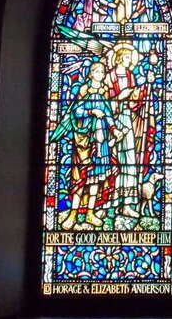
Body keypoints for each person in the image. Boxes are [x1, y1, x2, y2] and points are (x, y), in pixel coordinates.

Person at [54, 62, 116, 230]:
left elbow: (108, 114)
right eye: (97, 71)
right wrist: (92, 112)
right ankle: (72, 215)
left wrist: (114, 129)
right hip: (85, 142)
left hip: (100, 141)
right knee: (80, 179)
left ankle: (90, 213)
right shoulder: (84, 92)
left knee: (96, 178)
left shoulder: (103, 95)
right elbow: (76, 112)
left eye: (103, 72)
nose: (101, 74)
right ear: (90, 74)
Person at [106, 43, 146, 218]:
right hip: (110, 121)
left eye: (131, 57)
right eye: (127, 57)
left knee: (129, 160)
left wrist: (140, 92)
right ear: (120, 58)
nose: (130, 60)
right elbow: (103, 99)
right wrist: (118, 98)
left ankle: (127, 204)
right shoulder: (109, 77)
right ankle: (109, 204)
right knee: (112, 161)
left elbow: (135, 100)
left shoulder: (131, 76)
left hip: (126, 118)